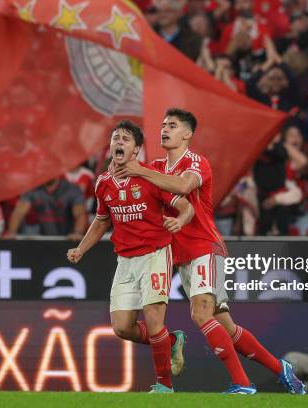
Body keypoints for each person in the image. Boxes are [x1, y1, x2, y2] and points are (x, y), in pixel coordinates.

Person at [114, 108, 306, 394]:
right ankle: (282, 370)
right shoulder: (155, 167)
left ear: (187, 134)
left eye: (173, 125)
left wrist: (140, 170)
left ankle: (242, 384)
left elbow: (183, 185)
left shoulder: (196, 163)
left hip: (205, 246)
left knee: (201, 314)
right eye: (163, 124)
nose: (164, 129)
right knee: (225, 326)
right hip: (180, 255)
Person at [67, 120, 195, 393]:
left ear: (136, 149)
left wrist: (180, 221)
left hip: (155, 254)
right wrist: (81, 248)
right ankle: (172, 341)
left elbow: (186, 206)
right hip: (125, 261)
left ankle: (164, 386)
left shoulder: (149, 177)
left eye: (126, 139)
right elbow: (102, 221)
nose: (119, 142)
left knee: (153, 319)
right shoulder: (102, 183)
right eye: (116, 138)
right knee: (122, 328)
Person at [6, 177, 86, 239]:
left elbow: (80, 213)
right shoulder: (33, 189)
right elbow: (19, 212)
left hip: (67, 239)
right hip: (43, 238)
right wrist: (11, 232)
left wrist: (77, 233)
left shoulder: (71, 189)